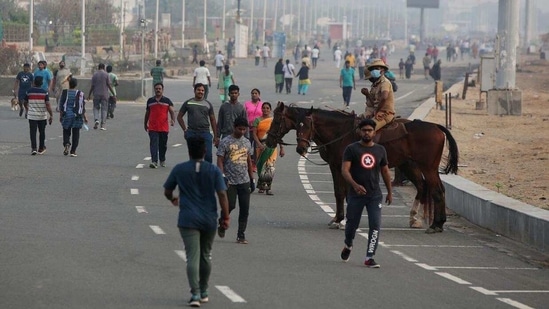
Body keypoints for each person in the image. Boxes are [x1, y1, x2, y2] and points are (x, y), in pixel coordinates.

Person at [163, 136, 230, 307]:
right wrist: (226, 216)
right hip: (209, 219)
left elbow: (167, 190)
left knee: (192, 256)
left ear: (189, 151)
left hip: (188, 219)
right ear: (205, 151)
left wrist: (173, 199)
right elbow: (222, 194)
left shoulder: (180, 169)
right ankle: (205, 290)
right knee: (205, 254)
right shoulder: (213, 170)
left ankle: (195, 294)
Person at [340, 118, 393, 268]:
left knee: (375, 225)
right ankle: (348, 244)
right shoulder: (351, 149)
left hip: (374, 195)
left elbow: (385, 171)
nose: (367, 133)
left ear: (374, 132)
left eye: (370, 130)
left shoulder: (380, 150)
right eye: (364, 130)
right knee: (351, 225)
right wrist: (355, 185)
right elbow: (345, 170)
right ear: (359, 132)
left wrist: (389, 192)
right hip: (356, 195)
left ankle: (369, 257)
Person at [216, 117, 255, 244]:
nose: (242, 132)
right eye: (240, 129)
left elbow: (249, 160)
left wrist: (252, 178)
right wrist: (222, 175)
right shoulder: (226, 141)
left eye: (244, 129)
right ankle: (222, 223)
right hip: (230, 180)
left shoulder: (247, 142)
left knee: (245, 208)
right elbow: (220, 159)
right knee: (230, 205)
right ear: (234, 127)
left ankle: (241, 235)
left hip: (244, 180)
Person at [177, 83, 218, 163]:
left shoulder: (208, 104)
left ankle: (207, 173)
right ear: (195, 91)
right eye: (199, 90)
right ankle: (195, 173)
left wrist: (216, 136)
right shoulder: (188, 103)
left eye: (202, 90)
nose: (201, 92)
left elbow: (213, 120)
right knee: (193, 156)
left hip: (205, 132)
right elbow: (179, 117)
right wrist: (185, 130)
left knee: (208, 155)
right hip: (192, 132)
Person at [252, 102, 285, 195]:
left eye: (267, 108)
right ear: (261, 109)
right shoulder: (257, 120)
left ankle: (268, 187)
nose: (265, 110)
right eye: (264, 108)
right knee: (261, 166)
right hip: (260, 146)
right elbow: (254, 134)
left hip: (272, 146)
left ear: (270, 110)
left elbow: (278, 135)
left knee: (270, 167)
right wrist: (259, 144)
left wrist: (282, 147)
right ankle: (262, 186)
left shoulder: (274, 121)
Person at [144, 83, 175, 168]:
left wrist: (173, 120)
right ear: (154, 90)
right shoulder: (150, 101)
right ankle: (154, 161)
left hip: (163, 127)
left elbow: (172, 111)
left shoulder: (167, 101)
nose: (158, 90)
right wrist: (145, 123)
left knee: (163, 145)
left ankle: (162, 159)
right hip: (153, 127)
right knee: (154, 144)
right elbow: (147, 113)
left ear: (162, 90)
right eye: (156, 88)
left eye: (159, 89)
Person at [361, 59, 395, 132]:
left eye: (376, 69)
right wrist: (367, 95)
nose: (374, 71)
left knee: (368, 130)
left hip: (385, 114)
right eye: (373, 69)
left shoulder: (385, 83)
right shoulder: (376, 84)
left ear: (382, 70)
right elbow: (374, 102)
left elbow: (384, 97)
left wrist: (376, 111)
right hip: (375, 111)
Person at [59, 77, 88, 157]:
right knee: (76, 133)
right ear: (76, 85)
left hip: (67, 115)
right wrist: (85, 117)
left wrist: (61, 115)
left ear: (69, 84)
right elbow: (82, 106)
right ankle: (73, 151)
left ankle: (67, 143)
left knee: (66, 131)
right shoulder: (80, 94)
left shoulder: (65, 93)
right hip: (77, 116)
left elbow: (61, 105)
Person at [24, 76, 53, 155]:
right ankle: (41, 148)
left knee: (33, 132)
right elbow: (48, 105)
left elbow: (25, 102)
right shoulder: (44, 92)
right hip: (42, 115)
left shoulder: (29, 91)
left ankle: (33, 148)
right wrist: (51, 115)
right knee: (42, 132)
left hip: (32, 115)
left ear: (34, 82)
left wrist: (27, 109)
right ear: (42, 83)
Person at [87, 63, 114, 130]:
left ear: (98, 67)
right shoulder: (106, 74)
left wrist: (89, 95)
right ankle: (103, 125)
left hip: (96, 94)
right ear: (104, 67)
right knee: (104, 109)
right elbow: (109, 85)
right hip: (104, 94)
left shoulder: (95, 75)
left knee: (96, 107)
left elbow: (92, 86)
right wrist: (113, 94)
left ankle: (96, 119)